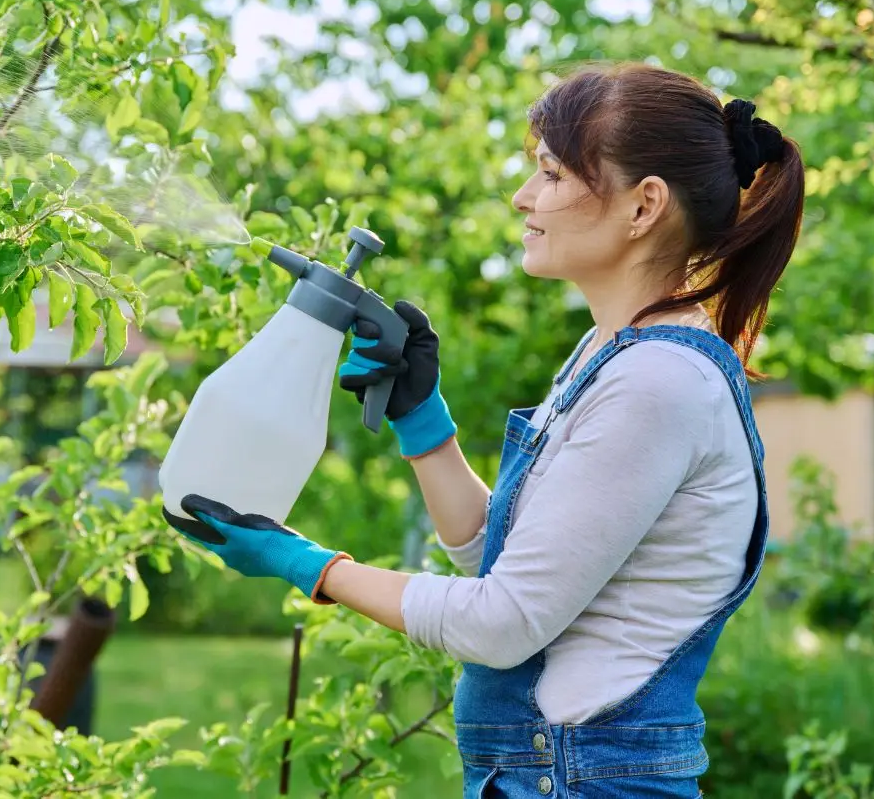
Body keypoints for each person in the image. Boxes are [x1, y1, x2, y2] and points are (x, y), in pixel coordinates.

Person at [163, 63, 804, 798]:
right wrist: (422, 420)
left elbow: (502, 624)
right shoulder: (607, 355)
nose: (522, 197)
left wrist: (303, 563)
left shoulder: (657, 383)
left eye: (551, 174)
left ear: (643, 205)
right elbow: (501, 568)